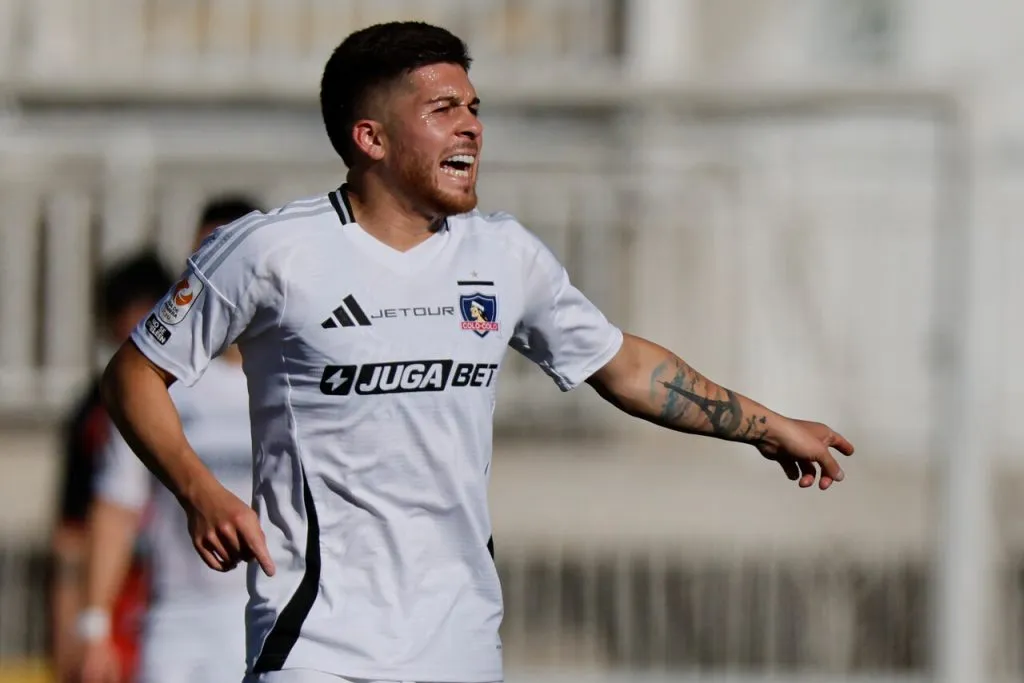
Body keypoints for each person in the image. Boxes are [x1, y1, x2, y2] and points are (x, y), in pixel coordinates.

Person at [99, 21, 855, 683]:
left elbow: (623, 366)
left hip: (458, 644)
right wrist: (199, 490)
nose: (471, 128)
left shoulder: (502, 254)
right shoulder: (271, 251)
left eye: (474, 108)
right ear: (371, 138)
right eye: (443, 110)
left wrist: (766, 426)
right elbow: (134, 374)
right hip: (316, 643)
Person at [76, 196, 261, 683]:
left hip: (272, 612)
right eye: (207, 259)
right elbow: (117, 505)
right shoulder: (155, 386)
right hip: (176, 620)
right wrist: (94, 625)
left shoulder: (296, 381)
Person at [50, 251, 173, 683]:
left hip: (187, 600)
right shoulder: (93, 414)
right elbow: (72, 533)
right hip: (117, 606)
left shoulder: (205, 397)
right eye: (123, 318)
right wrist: (73, 632)